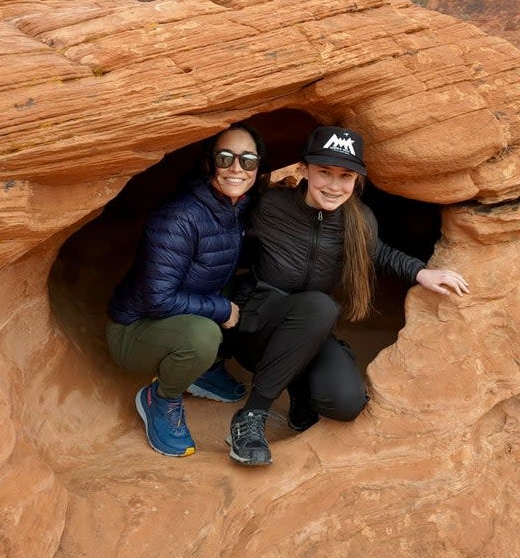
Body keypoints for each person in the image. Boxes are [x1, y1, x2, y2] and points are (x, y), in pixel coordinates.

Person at [225, 125, 469, 467]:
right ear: (304, 169)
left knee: (345, 403)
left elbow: (378, 253)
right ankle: (251, 417)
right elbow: (220, 234)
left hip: (308, 331)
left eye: (345, 176)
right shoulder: (268, 206)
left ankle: (299, 391)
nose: (334, 185)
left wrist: (421, 272)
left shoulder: (359, 219)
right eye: (324, 172)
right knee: (320, 306)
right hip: (257, 327)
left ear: (357, 181)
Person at [106, 124, 265, 457]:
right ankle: (161, 398)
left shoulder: (234, 208)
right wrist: (221, 309)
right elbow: (158, 299)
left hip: (174, 318)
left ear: (258, 167)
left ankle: (200, 369)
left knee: (254, 290)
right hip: (133, 331)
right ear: (209, 163)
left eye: (248, 161)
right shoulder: (179, 218)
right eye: (226, 158)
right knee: (204, 334)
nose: (237, 168)